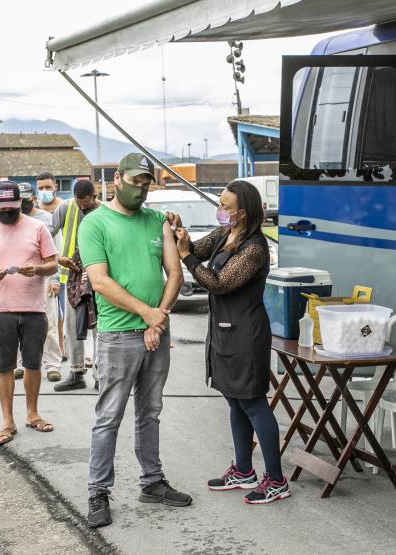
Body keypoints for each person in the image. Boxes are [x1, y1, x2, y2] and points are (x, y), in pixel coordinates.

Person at [78, 153, 189, 528]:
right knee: (109, 415)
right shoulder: (95, 223)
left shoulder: (158, 221)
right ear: (117, 179)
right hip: (118, 334)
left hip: (156, 330)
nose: (140, 188)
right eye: (134, 181)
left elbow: (174, 273)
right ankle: (98, 491)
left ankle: (152, 481)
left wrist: (159, 317)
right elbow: (100, 281)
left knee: (150, 411)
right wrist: (148, 314)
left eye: (146, 183)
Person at [171, 180, 289, 505]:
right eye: (220, 204)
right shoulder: (224, 235)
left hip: (247, 334)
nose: (220, 210)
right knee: (235, 401)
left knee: (253, 403)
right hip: (224, 331)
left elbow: (219, 283)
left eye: (226, 206)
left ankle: (276, 480)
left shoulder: (254, 249)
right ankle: (243, 470)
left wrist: (186, 258)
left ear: (243, 212)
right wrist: (178, 231)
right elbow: (196, 249)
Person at [0, 181, 59, 445]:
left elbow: (53, 264)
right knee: (5, 366)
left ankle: (32, 414)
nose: (7, 212)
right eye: (2, 208)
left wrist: (37, 269)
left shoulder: (38, 228)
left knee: (33, 364)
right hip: (0, 310)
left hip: (34, 309)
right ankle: (7, 421)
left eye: (12, 207)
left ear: (21, 203)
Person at [51, 179, 101, 392]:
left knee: (100, 327)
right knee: (72, 326)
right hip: (72, 277)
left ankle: (100, 375)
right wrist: (56, 257)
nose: (83, 208)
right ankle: (76, 372)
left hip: (98, 276)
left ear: (94, 197)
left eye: (86, 204)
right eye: (80, 204)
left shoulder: (105, 211)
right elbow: (47, 233)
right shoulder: (66, 207)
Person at [18, 182, 64, 382]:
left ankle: (53, 364)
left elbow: (57, 251)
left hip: (45, 277)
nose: (22, 203)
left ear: (34, 198)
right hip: (19, 279)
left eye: (26, 199)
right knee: (20, 324)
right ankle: (21, 363)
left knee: (50, 323)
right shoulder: (11, 219)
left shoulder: (47, 220)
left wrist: (55, 279)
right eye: (19, 199)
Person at [37, 172, 66, 357]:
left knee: (63, 311)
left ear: (55, 186)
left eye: (48, 187)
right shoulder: (35, 210)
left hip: (65, 264)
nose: (44, 191)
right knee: (49, 311)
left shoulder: (65, 207)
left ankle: (62, 347)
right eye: (40, 188)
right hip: (46, 268)